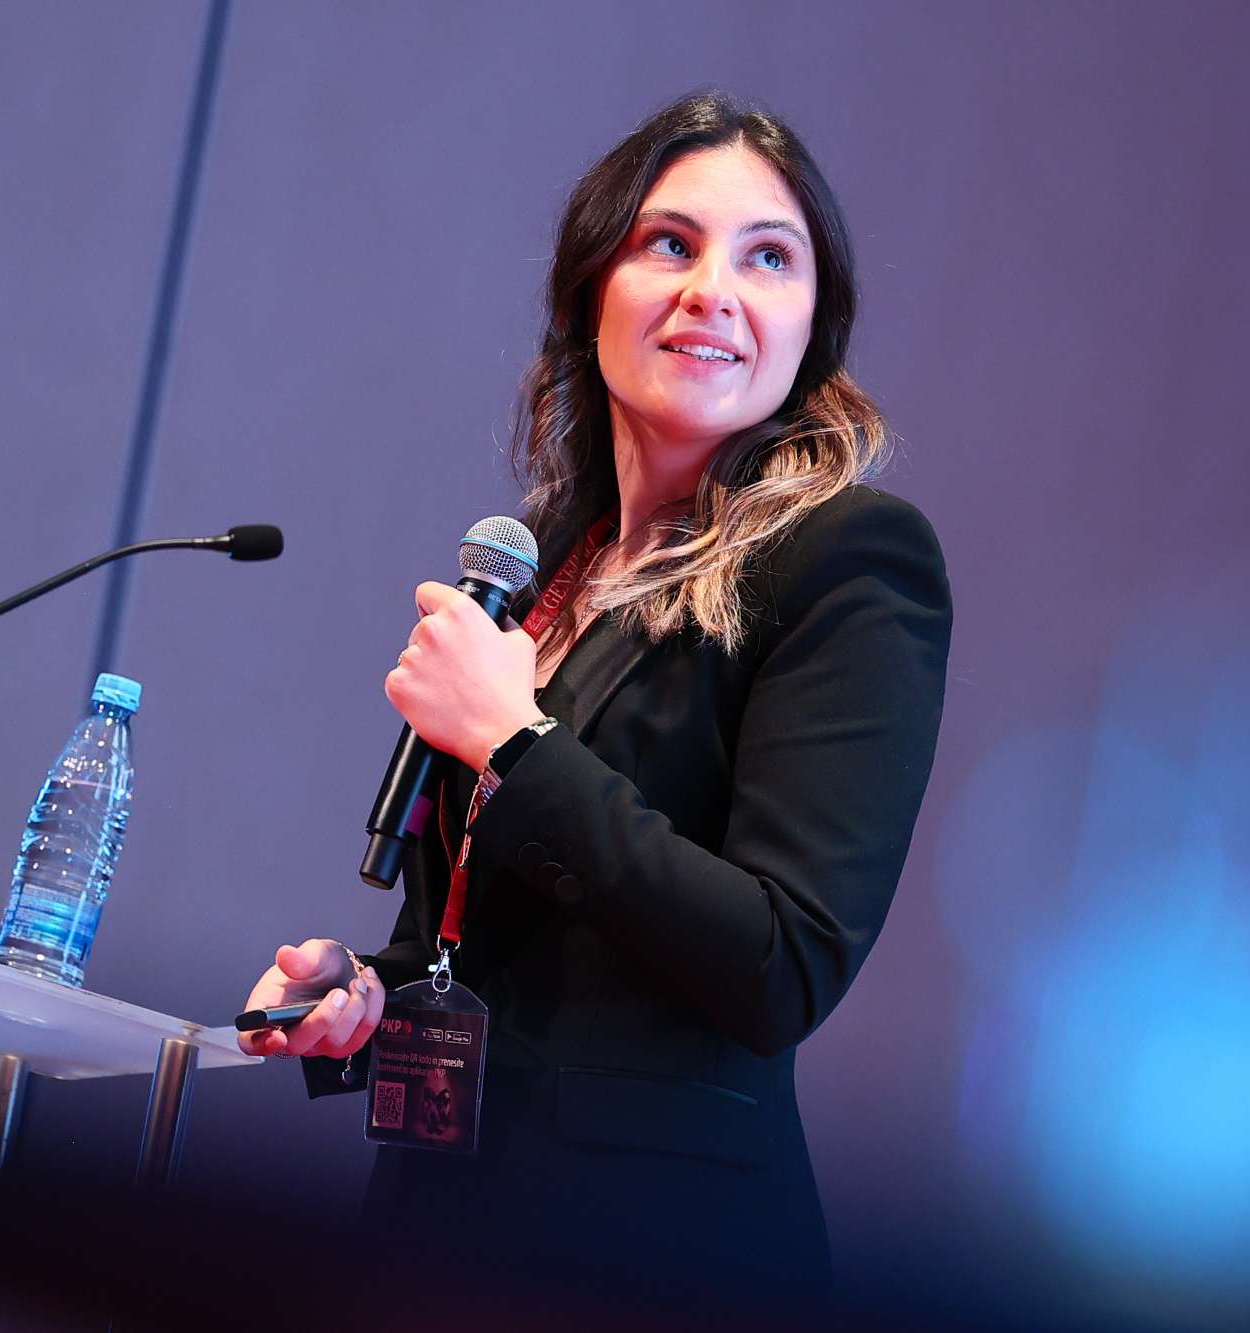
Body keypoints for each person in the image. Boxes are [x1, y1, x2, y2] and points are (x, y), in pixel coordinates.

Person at [240, 89, 951, 1300]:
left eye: (767, 257)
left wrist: (514, 743)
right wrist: (360, 996)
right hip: (438, 1233)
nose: (712, 290)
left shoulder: (849, 558)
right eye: (669, 243)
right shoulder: (543, 559)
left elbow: (782, 962)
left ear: (811, 323)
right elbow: (493, 951)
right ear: (589, 291)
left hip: (654, 1261)